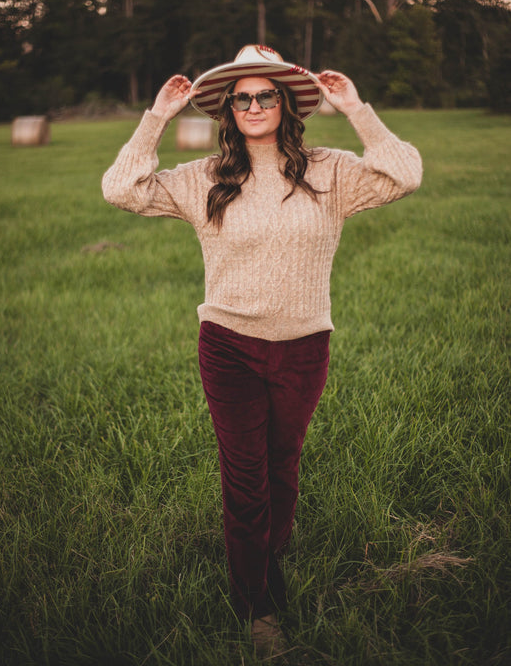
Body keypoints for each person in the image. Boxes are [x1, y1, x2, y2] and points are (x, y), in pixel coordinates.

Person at [102, 45, 423, 659]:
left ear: (285, 104)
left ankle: (268, 549)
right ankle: (259, 605)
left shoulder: (330, 172)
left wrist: (355, 107)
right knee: (245, 478)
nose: (254, 105)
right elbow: (120, 189)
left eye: (266, 94)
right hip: (228, 347)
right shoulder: (204, 179)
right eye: (242, 96)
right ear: (229, 109)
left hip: (305, 346)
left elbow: (405, 173)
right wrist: (156, 117)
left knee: (284, 465)